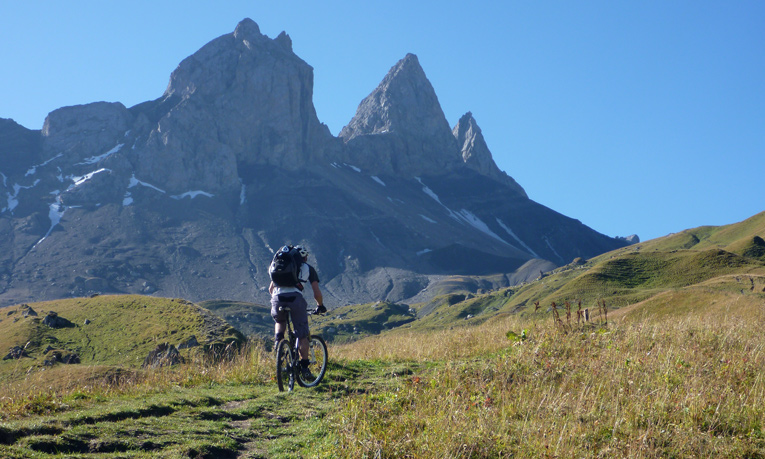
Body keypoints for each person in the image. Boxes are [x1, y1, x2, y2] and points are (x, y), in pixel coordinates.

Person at [269, 244, 325, 380]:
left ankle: (278, 341)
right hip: (295, 299)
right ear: (304, 257)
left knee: (280, 320)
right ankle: (305, 368)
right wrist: (320, 305)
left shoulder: (277, 265)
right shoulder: (307, 268)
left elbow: (271, 289)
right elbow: (316, 292)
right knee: (302, 334)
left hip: (277, 298)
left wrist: (277, 300)